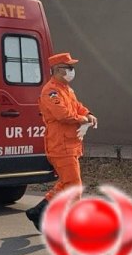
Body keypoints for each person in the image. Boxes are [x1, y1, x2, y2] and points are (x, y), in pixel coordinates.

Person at [25, 52, 97, 231]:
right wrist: (83, 119)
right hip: (61, 145)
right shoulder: (51, 91)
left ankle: (38, 212)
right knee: (74, 186)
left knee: (66, 183)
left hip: (70, 144)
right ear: (58, 70)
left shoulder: (66, 89)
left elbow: (77, 106)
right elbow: (62, 114)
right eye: (69, 67)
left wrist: (88, 114)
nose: (72, 71)